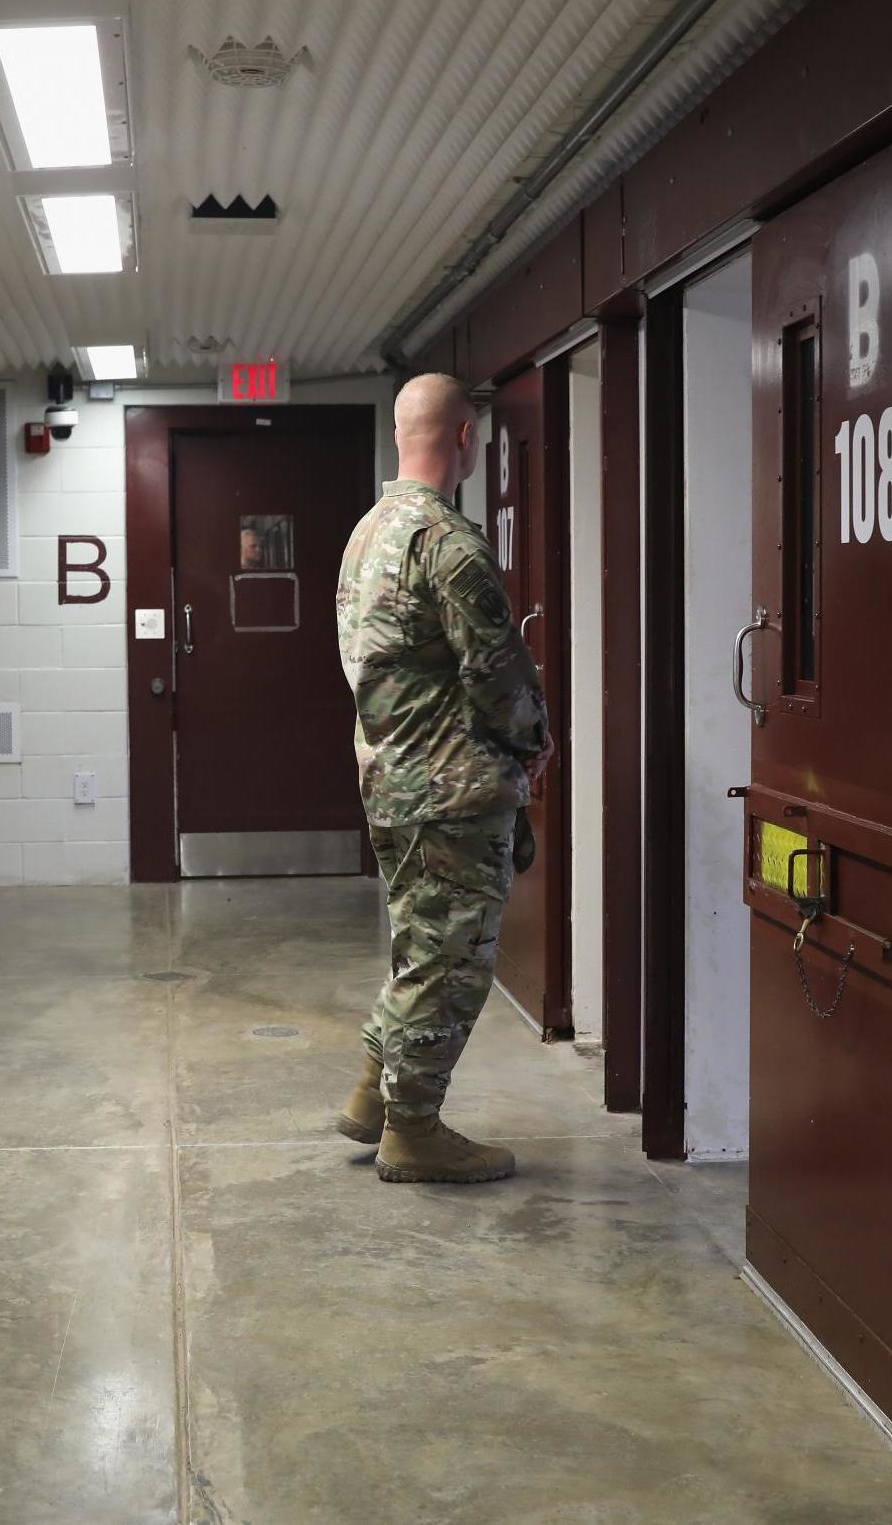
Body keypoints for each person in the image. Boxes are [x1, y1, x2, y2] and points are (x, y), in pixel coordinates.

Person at [332, 373, 553, 1183]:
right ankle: (413, 1130)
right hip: (451, 788)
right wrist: (534, 735)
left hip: (390, 778)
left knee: (420, 945)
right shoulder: (446, 542)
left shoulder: (368, 533)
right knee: (452, 959)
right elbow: (498, 675)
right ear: (466, 437)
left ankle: (374, 1090)